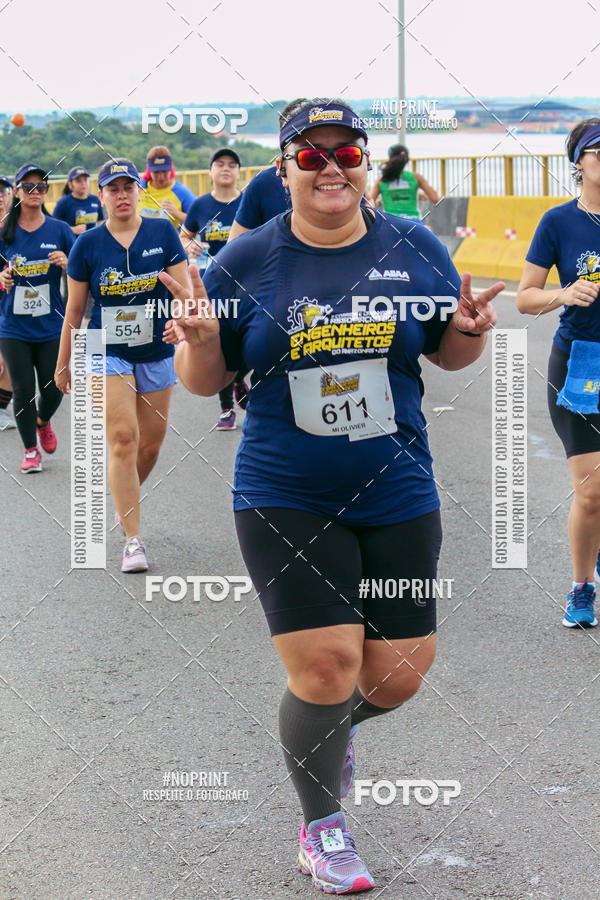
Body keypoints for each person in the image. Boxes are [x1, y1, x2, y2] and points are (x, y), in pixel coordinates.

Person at [162, 97, 502, 894]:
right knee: (326, 667)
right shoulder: (243, 261)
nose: (330, 168)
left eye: (344, 151)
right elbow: (206, 380)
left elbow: (447, 357)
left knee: (396, 676)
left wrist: (471, 331)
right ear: (282, 171)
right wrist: (204, 344)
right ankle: (321, 826)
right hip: (284, 489)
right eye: (309, 156)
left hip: (396, 487)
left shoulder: (416, 247)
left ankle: (326, 734)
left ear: (362, 162)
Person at [55, 158, 190, 572]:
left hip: (156, 349)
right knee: (123, 438)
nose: (122, 195)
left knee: (150, 445)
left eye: (128, 187)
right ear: (102, 197)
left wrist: (180, 326)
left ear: (138, 191)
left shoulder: (162, 231)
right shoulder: (88, 244)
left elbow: (184, 292)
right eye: (113, 189)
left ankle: (123, 501)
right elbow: (75, 311)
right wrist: (64, 364)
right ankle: (133, 540)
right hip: (104, 348)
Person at [517, 117, 600, 629]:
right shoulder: (558, 222)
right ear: (579, 164)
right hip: (581, 364)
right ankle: (582, 587)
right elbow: (524, 298)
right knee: (592, 491)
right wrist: (564, 294)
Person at [0, 164, 74, 471]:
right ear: (16, 192)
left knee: (53, 387)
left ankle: (44, 421)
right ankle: (31, 449)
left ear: (47, 192)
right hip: (13, 326)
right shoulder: (4, 232)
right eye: (28, 187)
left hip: (50, 325)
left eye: (41, 187)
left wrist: (67, 262)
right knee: (22, 390)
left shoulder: (59, 230)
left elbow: (84, 273)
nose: (35, 192)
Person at [180, 148, 245, 430]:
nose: (226, 169)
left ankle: (238, 375)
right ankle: (226, 409)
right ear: (211, 171)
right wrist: (189, 245)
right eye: (220, 164)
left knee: (249, 336)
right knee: (217, 341)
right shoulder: (200, 205)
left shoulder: (247, 203)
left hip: (247, 282)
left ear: (238, 171)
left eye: (232, 164)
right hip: (212, 285)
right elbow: (184, 236)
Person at [370, 144, 439, 219]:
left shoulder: (382, 180)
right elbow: (435, 199)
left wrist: (379, 202)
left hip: (391, 223)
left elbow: (369, 203)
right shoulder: (416, 178)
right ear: (407, 160)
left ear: (390, 159)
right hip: (413, 222)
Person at [137, 146, 195, 231]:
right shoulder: (139, 187)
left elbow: (199, 221)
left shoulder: (182, 193)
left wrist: (177, 214)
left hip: (170, 242)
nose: (161, 177)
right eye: (156, 172)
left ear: (171, 168)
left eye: (164, 171)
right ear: (148, 169)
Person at [0, 174, 16, 430]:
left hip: (15, 305)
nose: (0, 198)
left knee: (10, 365)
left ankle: (1, 409)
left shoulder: (20, 228)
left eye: (3, 192)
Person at [51, 166, 104, 235]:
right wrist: (73, 229)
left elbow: (100, 220)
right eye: (78, 181)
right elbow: (54, 227)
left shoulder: (95, 199)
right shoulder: (63, 202)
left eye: (85, 180)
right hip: (73, 244)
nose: (83, 183)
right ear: (70, 185)